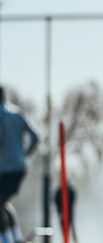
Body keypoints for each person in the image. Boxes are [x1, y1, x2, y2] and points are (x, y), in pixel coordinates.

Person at [0, 86, 38, 243]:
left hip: (5, 168)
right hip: (20, 166)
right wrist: (25, 154)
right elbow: (35, 136)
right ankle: (16, 236)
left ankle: (7, 239)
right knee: (4, 201)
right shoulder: (16, 113)